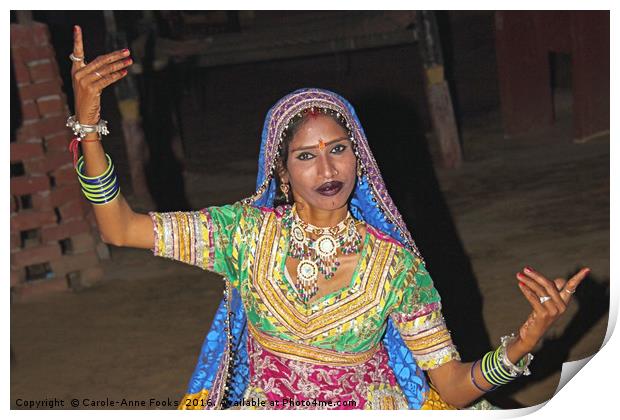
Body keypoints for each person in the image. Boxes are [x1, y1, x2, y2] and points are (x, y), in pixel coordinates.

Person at [68, 25, 590, 410]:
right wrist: (89, 126)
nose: (326, 167)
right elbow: (119, 227)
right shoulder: (245, 234)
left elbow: (451, 388)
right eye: (305, 155)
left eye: (338, 148)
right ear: (281, 169)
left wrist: (523, 341)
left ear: (358, 157)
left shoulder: (394, 266)